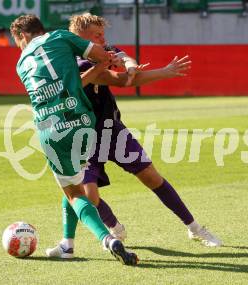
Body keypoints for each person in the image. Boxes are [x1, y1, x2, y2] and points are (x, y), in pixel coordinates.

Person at [46, 13, 222, 259]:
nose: (103, 39)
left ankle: (194, 228)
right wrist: (160, 72)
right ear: (80, 35)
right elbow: (112, 81)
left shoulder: (101, 50)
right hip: (83, 137)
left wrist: (128, 65)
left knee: (151, 176)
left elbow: (125, 60)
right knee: (88, 195)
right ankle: (112, 227)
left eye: (102, 34)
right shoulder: (70, 60)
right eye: (97, 35)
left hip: (111, 129)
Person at [9, 14, 138, 265]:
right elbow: (100, 55)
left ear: (22, 36)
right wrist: (112, 62)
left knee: (73, 192)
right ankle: (67, 244)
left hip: (50, 127)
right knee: (72, 180)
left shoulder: (21, 62)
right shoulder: (61, 36)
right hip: (83, 120)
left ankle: (107, 239)